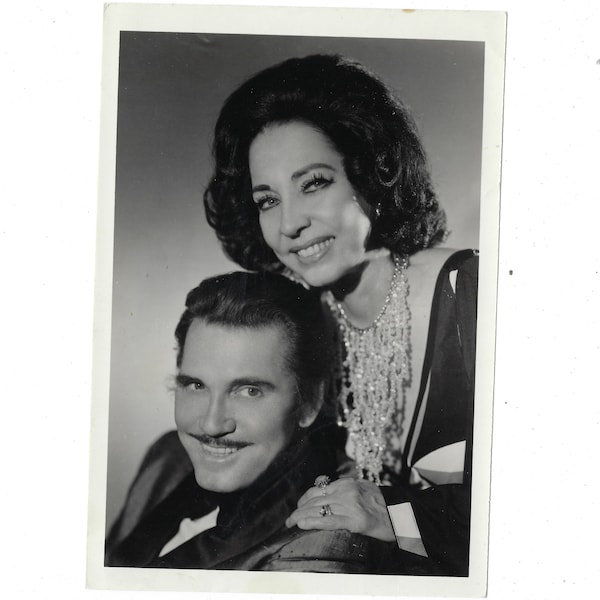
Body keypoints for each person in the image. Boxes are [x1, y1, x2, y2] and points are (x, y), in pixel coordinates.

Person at [204, 54, 478, 575]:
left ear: (372, 172)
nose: (289, 224)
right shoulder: (305, 323)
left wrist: (391, 513)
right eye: (267, 200)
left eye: (314, 184)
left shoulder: (472, 293)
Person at [105, 271, 405, 573]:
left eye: (249, 391)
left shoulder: (319, 548)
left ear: (310, 402)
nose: (211, 425)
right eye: (196, 386)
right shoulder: (169, 456)